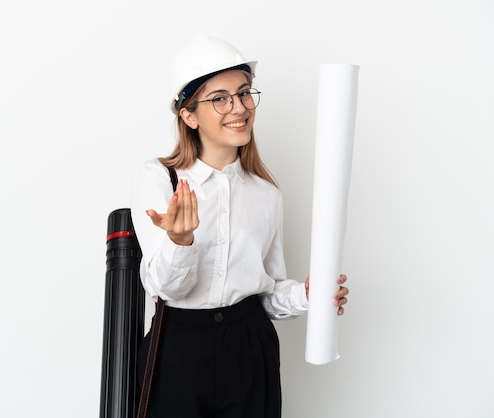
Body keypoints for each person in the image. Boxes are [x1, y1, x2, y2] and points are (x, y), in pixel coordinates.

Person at [130, 34, 349, 418]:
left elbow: (265, 295)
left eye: (245, 93)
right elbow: (164, 289)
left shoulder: (266, 194)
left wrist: (307, 296)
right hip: (178, 348)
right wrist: (181, 242)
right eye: (220, 98)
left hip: (250, 348)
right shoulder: (159, 179)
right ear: (189, 115)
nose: (240, 107)